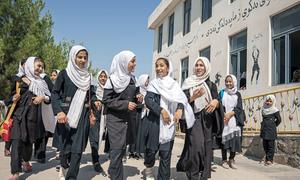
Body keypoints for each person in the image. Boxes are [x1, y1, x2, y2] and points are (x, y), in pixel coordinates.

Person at [143, 57, 194, 180]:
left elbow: (181, 99)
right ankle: (149, 169)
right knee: (151, 151)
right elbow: (148, 100)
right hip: (155, 123)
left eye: (161, 65)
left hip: (169, 124)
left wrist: (179, 109)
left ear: (168, 68)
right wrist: (161, 110)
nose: (158, 68)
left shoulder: (174, 85)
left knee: (165, 155)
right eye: (157, 66)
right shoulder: (153, 84)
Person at [51, 45, 97, 180]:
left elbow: (91, 94)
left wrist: (96, 101)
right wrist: (59, 112)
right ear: (73, 57)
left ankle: (71, 177)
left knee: (77, 150)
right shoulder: (65, 74)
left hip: (82, 116)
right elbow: (55, 94)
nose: (83, 60)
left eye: (85, 57)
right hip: (65, 116)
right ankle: (64, 167)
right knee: (65, 148)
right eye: (79, 57)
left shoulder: (88, 77)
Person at [177, 57, 223, 180]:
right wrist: (194, 97)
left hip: (208, 118)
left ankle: (204, 175)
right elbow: (182, 101)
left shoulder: (211, 84)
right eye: (197, 65)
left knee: (206, 147)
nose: (198, 67)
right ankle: (193, 175)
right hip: (194, 118)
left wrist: (215, 102)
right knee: (196, 147)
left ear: (206, 67)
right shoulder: (188, 82)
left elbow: (217, 99)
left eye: (201, 65)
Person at [102, 50, 143, 180]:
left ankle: (114, 172)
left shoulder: (132, 79)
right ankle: (116, 176)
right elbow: (107, 101)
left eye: (134, 61)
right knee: (117, 149)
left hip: (128, 119)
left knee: (120, 149)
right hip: (114, 119)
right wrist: (125, 104)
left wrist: (139, 98)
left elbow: (134, 98)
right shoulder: (112, 80)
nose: (135, 64)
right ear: (123, 62)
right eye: (132, 61)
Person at [9, 57, 52, 180]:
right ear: (29, 65)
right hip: (18, 116)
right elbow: (9, 98)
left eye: (41, 67)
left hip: (33, 117)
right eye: (38, 65)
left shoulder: (42, 83)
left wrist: (42, 98)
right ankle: (15, 173)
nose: (40, 68)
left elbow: (50, 98)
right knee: (16, 142)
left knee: (28, 143)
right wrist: (13, 98)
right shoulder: (18, 80)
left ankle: (26, 160)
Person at [219, 74, 243, 169]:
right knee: (224, 140)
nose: (228, 83)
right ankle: (224, 160)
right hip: (224, 119)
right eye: (226, 81)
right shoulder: (222, 92)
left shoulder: (238, 94)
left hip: (234, 120)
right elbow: (219, 104)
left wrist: (231, 114)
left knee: (234, 140)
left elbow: (239, 107)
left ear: (234, 82)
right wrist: (224, 114)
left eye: (230, 81)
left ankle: (231, 159)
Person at [3, 59, 27, 157]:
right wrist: (11, 99)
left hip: (25, 108)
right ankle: (7, 148)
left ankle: (20, 152)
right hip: (14, 107)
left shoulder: (32, 78)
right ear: (21, 65)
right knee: (10, 127)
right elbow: (10, 93)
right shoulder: (15, 78)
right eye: (25, 65)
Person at [88, 69, 108, 173]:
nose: (103, 78)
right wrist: (95, 101)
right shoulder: (94, 89)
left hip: (104, 117)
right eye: (101, 76)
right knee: (94, 140)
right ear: (98, 78)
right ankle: (95, 161)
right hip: (94, 116)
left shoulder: (109, 89)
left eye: (105, 76)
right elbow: (90, 97)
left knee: (100, 138)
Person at [128, 74, 150, 159]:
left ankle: (139, 151)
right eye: (146, 80)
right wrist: (143, 105)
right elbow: (133, 102)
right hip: (136, 114)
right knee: (134, 132)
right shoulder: (136, 90)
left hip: (145, 115)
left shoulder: (148, 91)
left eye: (148, 80)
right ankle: (131, 151)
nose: (147, 82)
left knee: (142, 133)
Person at [260, 95, 281, 166]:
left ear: (273, 101)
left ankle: (269, 160)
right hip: (264, 129)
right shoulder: (263, 110)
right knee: (265, 144)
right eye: (267, 101)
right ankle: (266, 157)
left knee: (270, 145)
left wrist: (273, 125)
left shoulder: (275, 110)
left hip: (271, 130)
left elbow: (279, 120)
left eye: (270, 101)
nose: (268, 102)